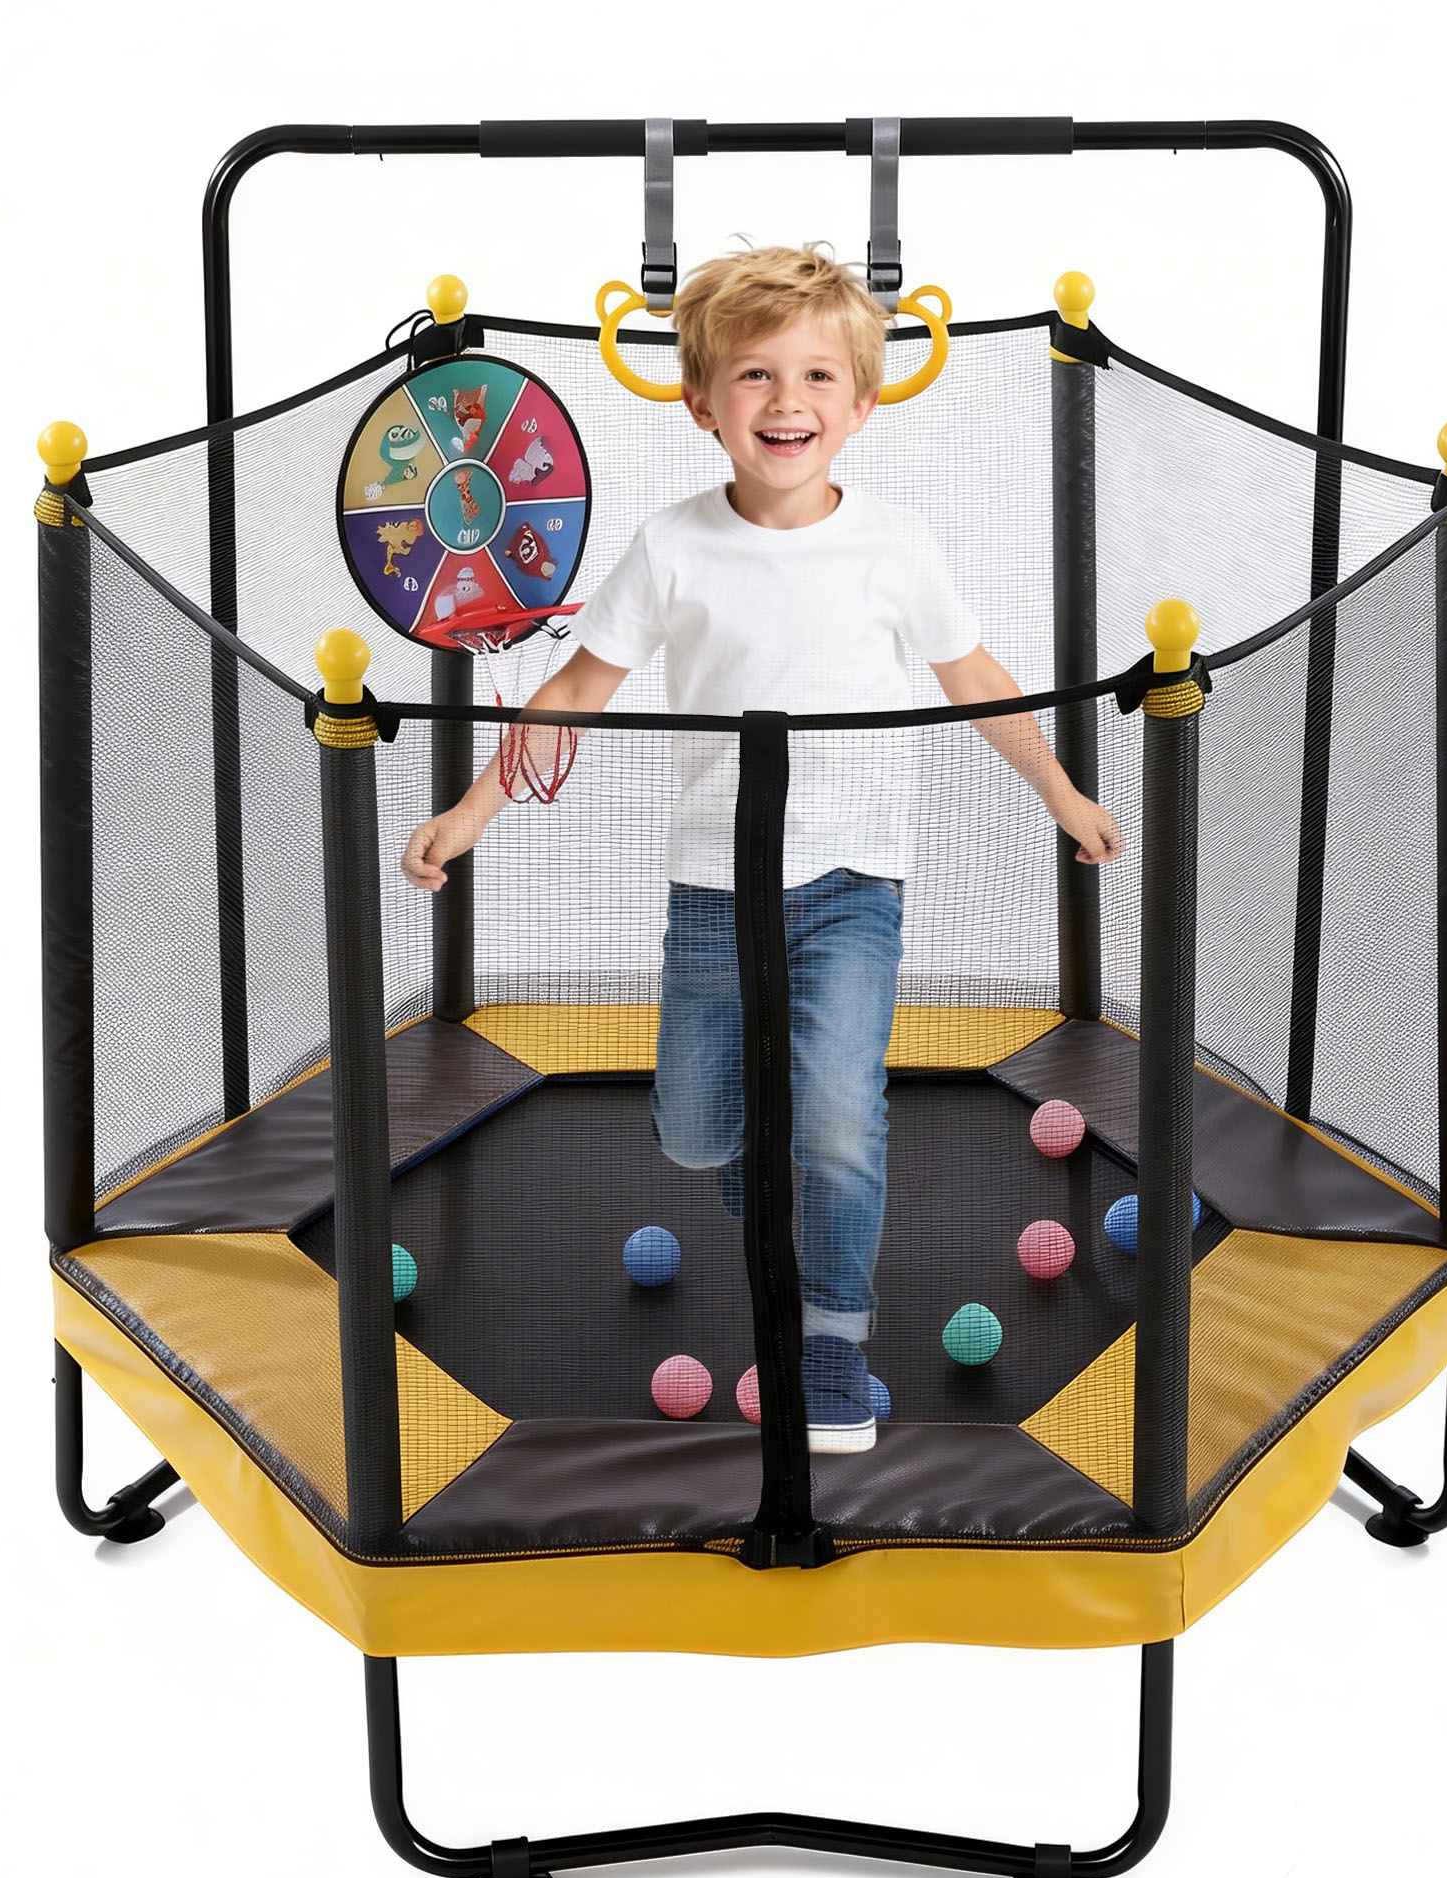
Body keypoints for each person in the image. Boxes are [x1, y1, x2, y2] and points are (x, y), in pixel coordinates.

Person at [401, 243, 1123, 1453]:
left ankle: (826, 1336)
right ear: (700, 404)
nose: (786, 401)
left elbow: (975, 677)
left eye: (815, 375)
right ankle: (766, 1196)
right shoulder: (670, 546)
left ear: (862, 401)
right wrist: (469, 812)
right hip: (712, 886)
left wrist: (1057, 789)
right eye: (753, 375)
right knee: (695, 1129)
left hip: (853, 881)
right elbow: (575, 688)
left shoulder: (895, 544)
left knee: (837, 1116)